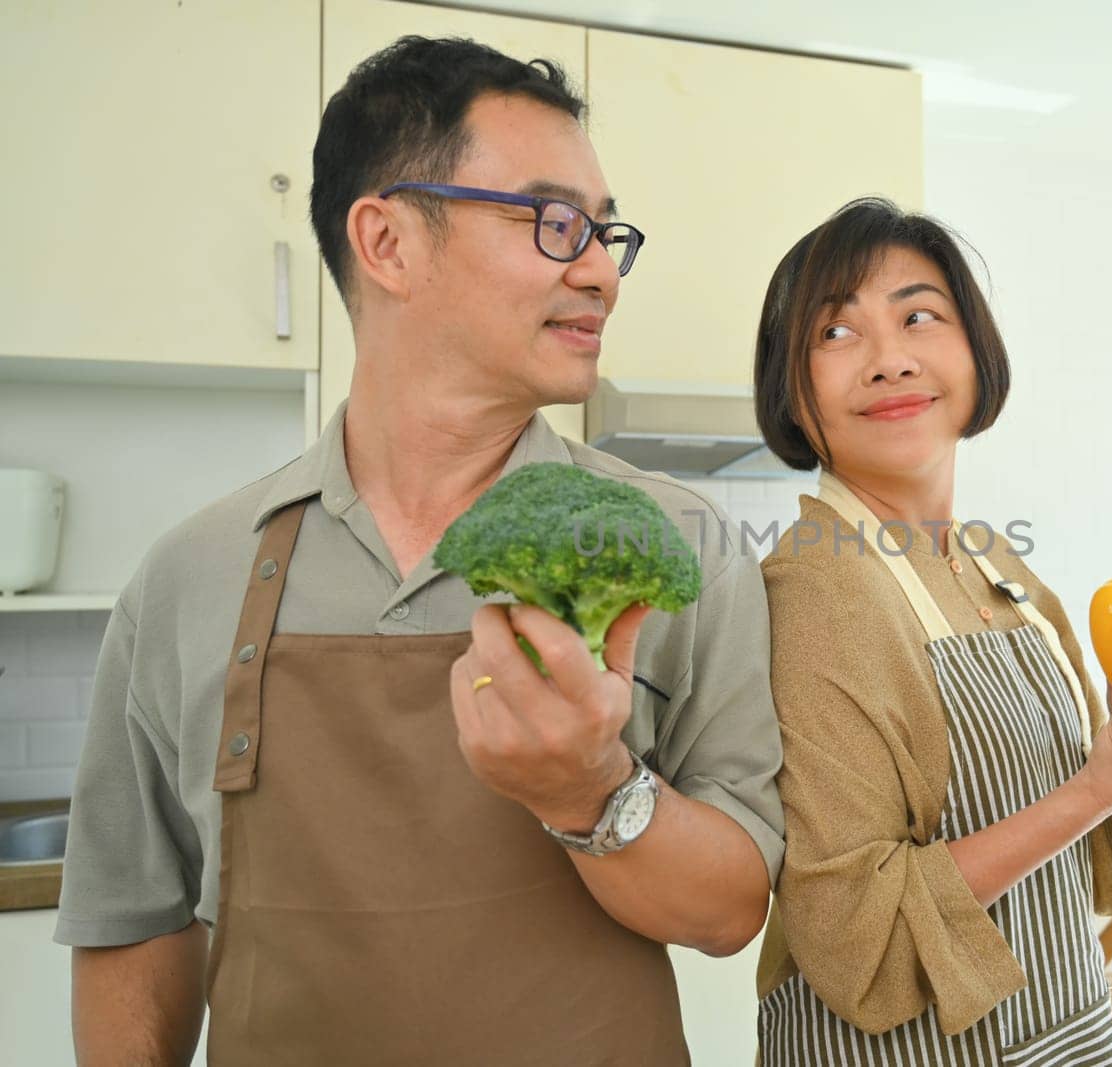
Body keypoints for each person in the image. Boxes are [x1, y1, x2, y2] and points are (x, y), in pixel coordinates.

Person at [55, 36, 783, 1067]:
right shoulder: (188, 572)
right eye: (554, 221)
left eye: (605, 231)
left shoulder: (677, 545)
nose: (599, 271)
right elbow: (137, 918)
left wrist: (591, 789)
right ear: (388, 241)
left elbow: (731, 908)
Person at [750, 199, 1112, 1065]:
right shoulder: (817, 589)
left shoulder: (999, 569)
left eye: (920, 316)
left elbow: (1095, 875)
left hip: (1066, 1038)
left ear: (976, 353)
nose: (889, 359)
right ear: (792, 396)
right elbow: (853, 939)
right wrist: (1106, 781)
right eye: (836, 334)